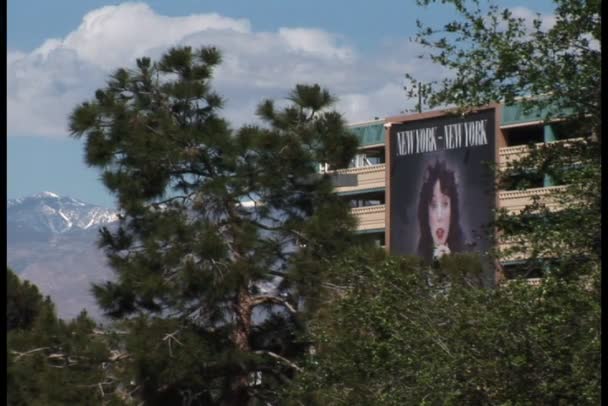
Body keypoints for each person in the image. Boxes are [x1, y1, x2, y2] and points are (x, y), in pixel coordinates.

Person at [417, 160, 465, 263]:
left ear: (453, 209)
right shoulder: (417, 259)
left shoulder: (467, 254)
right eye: (433, 205)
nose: (439, 216)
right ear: (426, 212)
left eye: (445, 204)